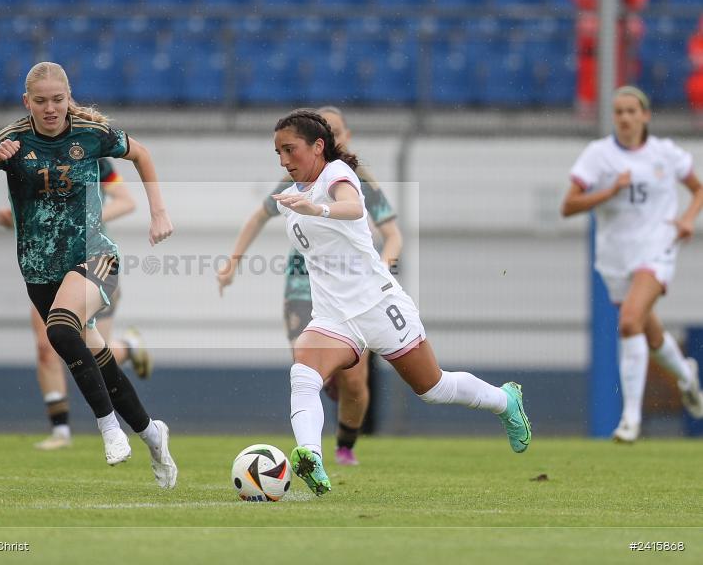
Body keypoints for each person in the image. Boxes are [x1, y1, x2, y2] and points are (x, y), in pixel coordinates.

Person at [269, 109, 530, 496]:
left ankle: (504, 400)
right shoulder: (288, 199)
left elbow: (353, 207)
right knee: (303, 371)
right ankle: (312, 458)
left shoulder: (338, 176)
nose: (283, 160)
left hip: (378, 305)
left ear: (318, 146)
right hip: (333, 317)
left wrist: (318, 208)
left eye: (290, 149)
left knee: (432, 387)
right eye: (278, 153)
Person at [0, 61, 177, 488]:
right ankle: (152, 434)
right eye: (41, 101)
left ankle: (108, 428)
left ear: (68, 98)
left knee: (59, 328)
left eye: (58, 99)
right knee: (96, 356)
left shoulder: (91, 135)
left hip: (95, 257)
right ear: (27, 102)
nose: (51, 108)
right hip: (39, 270)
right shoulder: (11, 141)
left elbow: (141, 154)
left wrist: (159, 212)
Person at [218, 106, 402, 466]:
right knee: (305, 369)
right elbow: (260, 215)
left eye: (336, 130)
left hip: (355, 293)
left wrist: (380, 272)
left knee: (353, 381)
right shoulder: (295, 177)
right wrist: (233, 262)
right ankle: (311, 451)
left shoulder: (358, 181)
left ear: (338, 139)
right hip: (303, 289)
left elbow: (394, 237)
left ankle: (346, 445)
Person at [561, 86, 703, 443]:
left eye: (631, 111)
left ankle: (630, 419)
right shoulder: (598, 155)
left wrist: (687, 219)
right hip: (615, 256)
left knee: (628, 322)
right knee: (648, 330)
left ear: (645, 115)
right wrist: (609, 192)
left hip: (657, 248)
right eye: (618, 112)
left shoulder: (665, 154)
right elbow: (568, 206)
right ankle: (687, 376)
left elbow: (698, 189)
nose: (624, 118)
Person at [0, 157, 152, 451]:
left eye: (60, 106)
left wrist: (85, 217)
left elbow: (127, 201)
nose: (52, 109)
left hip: (93, 265)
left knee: (94, 351)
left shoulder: (93, 155)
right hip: (48, 269)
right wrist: (13, 218)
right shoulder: (29, 157)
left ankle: (128, 347)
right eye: (43, 106)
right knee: (46, 347)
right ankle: (60, 430)